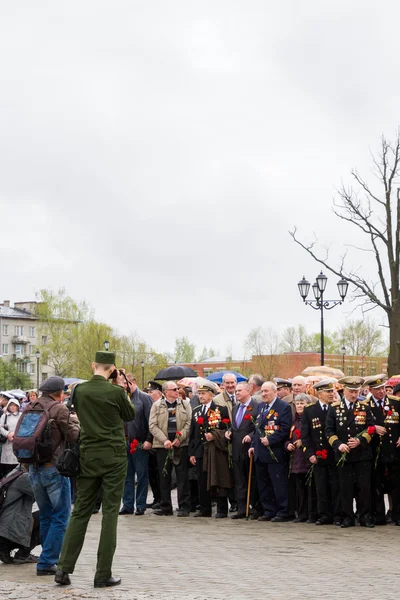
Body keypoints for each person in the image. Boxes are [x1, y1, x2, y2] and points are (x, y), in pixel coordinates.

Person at [55, 352, 135, 588]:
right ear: (112, 369)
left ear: (93, 365)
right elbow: (129, 414)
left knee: (80, 512)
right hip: (113, 456)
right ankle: (102, 574)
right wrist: (120, 386)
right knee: (110, 513)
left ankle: (63, 569)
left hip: (88, 455)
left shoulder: (79, 390)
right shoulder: (115, 392)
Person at [25, 377, 80, 576]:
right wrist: (74, 420)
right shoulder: (59, 409)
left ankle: (47, 558)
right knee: (61, 517)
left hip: (33, 469)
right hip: (54, 469)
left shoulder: (30, 406)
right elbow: (74, 435)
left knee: (47, 515)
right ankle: (48, 561)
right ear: (58, 392)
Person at [325, 376, 375, 528]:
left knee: (363, 487)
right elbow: (329, 431)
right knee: (345, 487)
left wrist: (361, 440)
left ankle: (364, 516)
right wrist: (338, 445)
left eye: (356, 391)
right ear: (344, 390)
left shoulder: (365, 407)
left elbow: (371, 428)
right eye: (350, 391)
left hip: (362, 455)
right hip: (344, 455)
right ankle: (347, 516)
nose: (353, 395)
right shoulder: (334, 408)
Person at [250, 381, 292, 522]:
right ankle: (269, 510)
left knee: (278, 483)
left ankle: (283, 511)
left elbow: (285, 429)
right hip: (260, 453)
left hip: (275, 452)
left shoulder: (283, 407)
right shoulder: (261, 406)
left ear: (275, 392)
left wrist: (271, 439)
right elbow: (257, 429)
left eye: (266, 391)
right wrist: (253, 445)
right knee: (263, 483)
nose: (263, 394)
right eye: (262, 391)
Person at [149, 381, 192, 517]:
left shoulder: (185, 404)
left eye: (178, 389)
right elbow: (152, 425)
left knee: (182, 477)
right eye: (174, 389)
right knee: (164, 476)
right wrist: (165, 440)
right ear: (166, 392)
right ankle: (165, 506)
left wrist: (180, 438)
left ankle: (184, 506)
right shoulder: (156, 406)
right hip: (163, 446)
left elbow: (189, 423)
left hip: (181, 445)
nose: (177, 391)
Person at [302, 380, 341, 525]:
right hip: (318, 455)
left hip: (335, 453)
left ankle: (337, 515)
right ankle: (324, 514)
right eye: (328, 391)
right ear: (319, 393)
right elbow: (305, 435)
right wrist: (309, 454)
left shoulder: (337, 408)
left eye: (332, 391)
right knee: (321, 487)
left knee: (336, 487)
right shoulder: (310, 410)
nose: (331, 394)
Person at [189, 382, 231, 517]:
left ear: (211, 395)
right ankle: (204, 508)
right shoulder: (196, 411)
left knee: (218, 478)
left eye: (203, 393)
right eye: (199, 393)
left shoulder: (221, 409)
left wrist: (214, 435)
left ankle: (222, 509)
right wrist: (192, 453)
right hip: (201, 450)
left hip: (216, 450)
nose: (201, 396)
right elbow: (193, 434)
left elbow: (227, 429)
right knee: (202, 480)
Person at [364, 374, 400, 526]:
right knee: (376, 483)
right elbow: (358, 426)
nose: (381, 392)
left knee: (397, 484)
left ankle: (398, 515)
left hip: (394, 449)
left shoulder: (395, 402)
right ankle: (378, 515)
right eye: (377, 389)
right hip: (375, 450)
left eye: (383, 388)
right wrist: (371, 428)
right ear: (370, 390)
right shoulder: (365, 405)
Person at [119, 374, 153, 516]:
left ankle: (140, 504)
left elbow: (150, 420)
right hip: (124, 441)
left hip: (139, 442)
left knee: (141, 475)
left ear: (131, 382)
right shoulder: (122, 398)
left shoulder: (144, 398)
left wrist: (149, 439)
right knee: (127, 476)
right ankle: (127, 505)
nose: (122, 387)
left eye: (124, 384)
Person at [225, 381, 258, 519]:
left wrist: (251, 436)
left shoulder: (256, 407)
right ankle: (242, 508)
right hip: (237, 449)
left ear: (248, 391)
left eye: (239, 390)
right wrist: (229, 431)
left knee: (252, 479)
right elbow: (235, 425)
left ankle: (255, 508)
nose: (236, 393)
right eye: (236, 391)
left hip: (249, 449)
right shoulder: (235, 407)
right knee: (239, 480)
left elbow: (258, 426)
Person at [0, 465, 40, 564]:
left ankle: (4, 548)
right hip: (8, 531)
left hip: (3, 528)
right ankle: (23, 553)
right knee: (49, 517)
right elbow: (45, 493)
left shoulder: (14, 473)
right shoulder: (24, 478)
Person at [285, 395, 313, 522]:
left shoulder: (311, 419)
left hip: (308, 460)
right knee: (299, 490)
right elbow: (287, 437)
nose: (300, 406)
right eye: (298, 403)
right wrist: (288, 445)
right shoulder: (292, 420)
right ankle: (301, 514)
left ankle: (311, 514)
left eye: (302, 403)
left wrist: (304, 441)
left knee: (310, 490)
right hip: (295, 460)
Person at [0, 398, 21, 478]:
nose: (12, 407)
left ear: (17, 406)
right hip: (7, 443)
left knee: (17, 463)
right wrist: (7, 434)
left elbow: (23, 427)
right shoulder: (4, 416)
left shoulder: (20, 415)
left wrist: (16, 435)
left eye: (14, 405)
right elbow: (0, 427)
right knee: (7, 465)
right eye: (11, 405)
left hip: (18, 442)